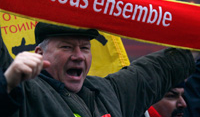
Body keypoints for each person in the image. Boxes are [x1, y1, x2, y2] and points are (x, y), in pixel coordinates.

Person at [0, 22, 197, 117]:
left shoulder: (109, 92)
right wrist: (8, 84)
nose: (78, 56)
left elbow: (157, 70)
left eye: (85, 48)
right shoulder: (25, 92)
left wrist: (193, 41)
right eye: (66, 47)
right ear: (39, 53)